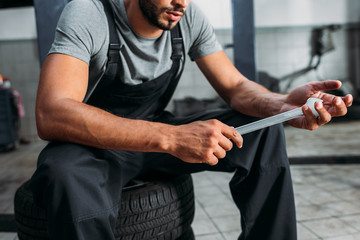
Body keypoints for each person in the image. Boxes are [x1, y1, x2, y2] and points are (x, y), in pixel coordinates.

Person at [30, 0, 353, 239]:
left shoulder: (186, 18)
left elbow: (236, 88)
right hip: (94, 146)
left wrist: (282, 104)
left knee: (262, 133)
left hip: (155, 135)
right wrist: (172, 138)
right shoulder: (89, 13)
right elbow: (52, 112)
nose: (181, 2)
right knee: (63, 172)